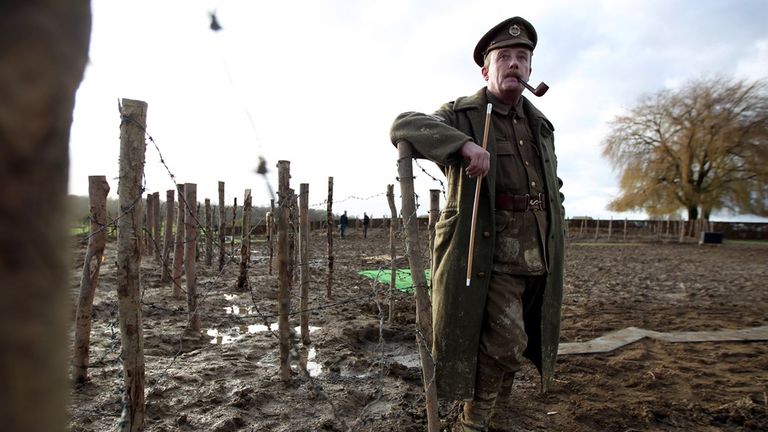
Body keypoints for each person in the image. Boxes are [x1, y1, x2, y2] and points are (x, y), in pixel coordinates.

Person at [389, 16, 565, 431]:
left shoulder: (539, 124)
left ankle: (494, 408)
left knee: (517, 340)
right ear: (486, 69)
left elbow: (548, 177)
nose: (515, 64)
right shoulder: (462, 114)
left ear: (531, 70)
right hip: (487, 249)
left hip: (538, 249)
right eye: (504, 57)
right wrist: (465, 145)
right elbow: (403, 125)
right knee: (507, 342)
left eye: (523, 57)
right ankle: (473, 421)